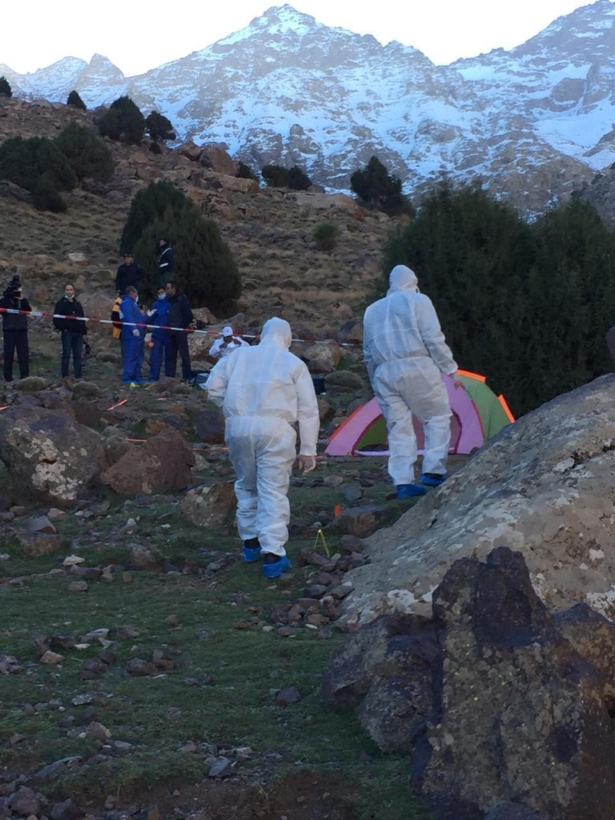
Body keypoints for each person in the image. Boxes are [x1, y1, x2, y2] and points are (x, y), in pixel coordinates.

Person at [207, 317, 320, 579]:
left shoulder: (238, 356)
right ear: (287, 338)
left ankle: (250, 542)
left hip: (238, 426)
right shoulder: (293, 363)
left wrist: (231, 409)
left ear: (262, 335)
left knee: (247, 484)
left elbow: (212, 387)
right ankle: (273, 554)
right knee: (272, 489)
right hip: (276, 428)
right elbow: (308, 409)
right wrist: (308, 450)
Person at [363, 264, 461, 499]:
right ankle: (433, 470)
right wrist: (450, 368)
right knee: (436, 417)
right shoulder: (419, 301)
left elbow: (367, 351)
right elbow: (432, 337)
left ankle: (403, 482)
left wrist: (374, 381)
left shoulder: (372, 310)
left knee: (398, 427)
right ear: (413, 282)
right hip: (418, 365)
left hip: (384, 372)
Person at [0, 275, 31, 382]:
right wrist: (8, 294)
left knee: (23, 354)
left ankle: (25, 375)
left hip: (21, 329)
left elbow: (28, 310)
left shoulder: (22, 301)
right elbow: (2, 309)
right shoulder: (5, 301)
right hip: (9, 330)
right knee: (8, 354)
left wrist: (22, 299)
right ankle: (8, 377)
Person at [53, 284, 87, 379]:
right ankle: (65, 375)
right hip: (67, 332)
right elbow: (56, 318)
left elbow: (82, 318)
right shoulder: (60, 304)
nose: (69, 291)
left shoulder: (77, 304)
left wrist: (84, 332)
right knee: (66, 354)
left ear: (74, 291)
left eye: (71, 289)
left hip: (78, 333)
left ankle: (78, 375)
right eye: (67, 290)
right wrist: (63, 328)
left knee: (78, 355)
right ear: (65, 291)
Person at [166, 281, 193, 381]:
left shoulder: (181, 299)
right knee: (171, 355)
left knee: (184, 355)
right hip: (171, 331)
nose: (166, 290)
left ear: (173, 288)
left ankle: (187, 376)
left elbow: (188, 315)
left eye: (168, 288)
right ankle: (170, 377)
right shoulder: (170, 300)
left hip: (180, 331)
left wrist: (182, 326)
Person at [119, 286, 145, 386]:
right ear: (133, 293)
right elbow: (128, 316)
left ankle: (137, 377)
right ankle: (128, 378)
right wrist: (133, 328)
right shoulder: (126, 303)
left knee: (138, 356)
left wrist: (148, 315)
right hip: (131, 335)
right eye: (136, 293)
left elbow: (139, 319)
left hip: (138, 336)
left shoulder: (134, 304)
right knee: (131, 356)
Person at [147, 287, 171, 381]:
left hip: (168, 334)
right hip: (157, 334)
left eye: (162, 292)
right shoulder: (155, 305)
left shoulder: (170, 304)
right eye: (159, 292)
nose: (161, 294)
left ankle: (168, 377)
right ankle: (154, 376)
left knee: (169, 356)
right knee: (155, 356)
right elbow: (151, 319)